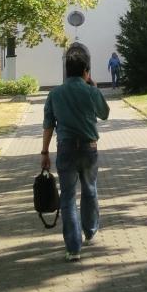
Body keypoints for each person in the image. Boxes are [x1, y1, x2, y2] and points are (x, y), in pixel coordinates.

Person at [40, 43, 109, 261]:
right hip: (89, 148)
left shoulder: (55, 94)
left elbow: (48, 125)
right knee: (90, 190)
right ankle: (90, 230)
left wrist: (44, 152)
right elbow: (104, 113)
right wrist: (94, 88)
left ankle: (73, 248)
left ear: (66, 71)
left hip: (66, 148)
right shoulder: (90, 91)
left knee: (68, 197)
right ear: (86, 71)